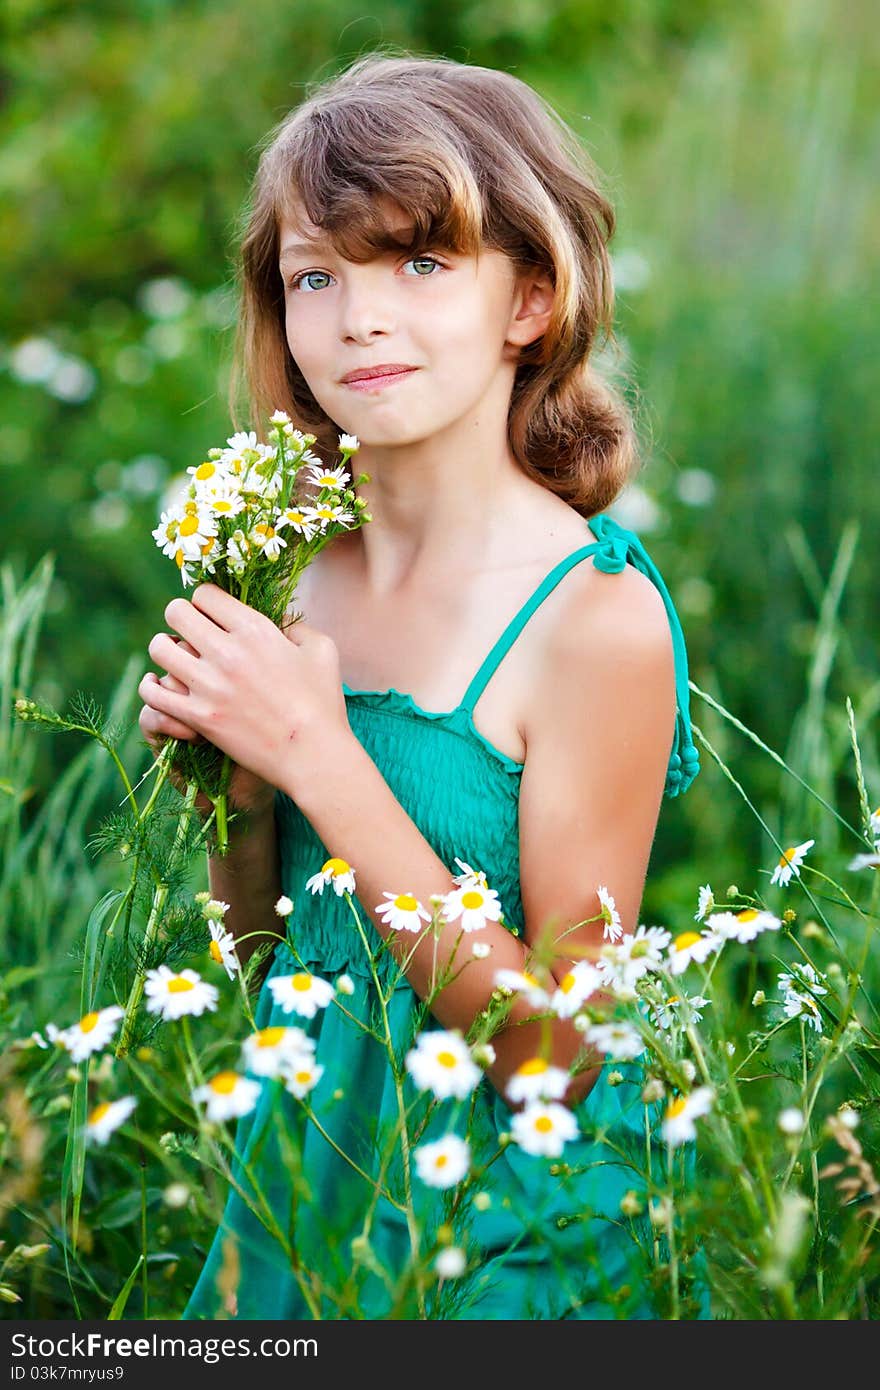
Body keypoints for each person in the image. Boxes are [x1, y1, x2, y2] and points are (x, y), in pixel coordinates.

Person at [137, 51, 702, 1320]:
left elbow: (559, 1056)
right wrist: (236, 780)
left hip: (504, 1228)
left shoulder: (591, 618)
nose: (360, 318)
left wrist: (321, 755)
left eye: (422, 263)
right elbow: (270, 963)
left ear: (531, 299)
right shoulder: (281, 567)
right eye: (315, 276)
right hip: (305, 1182)